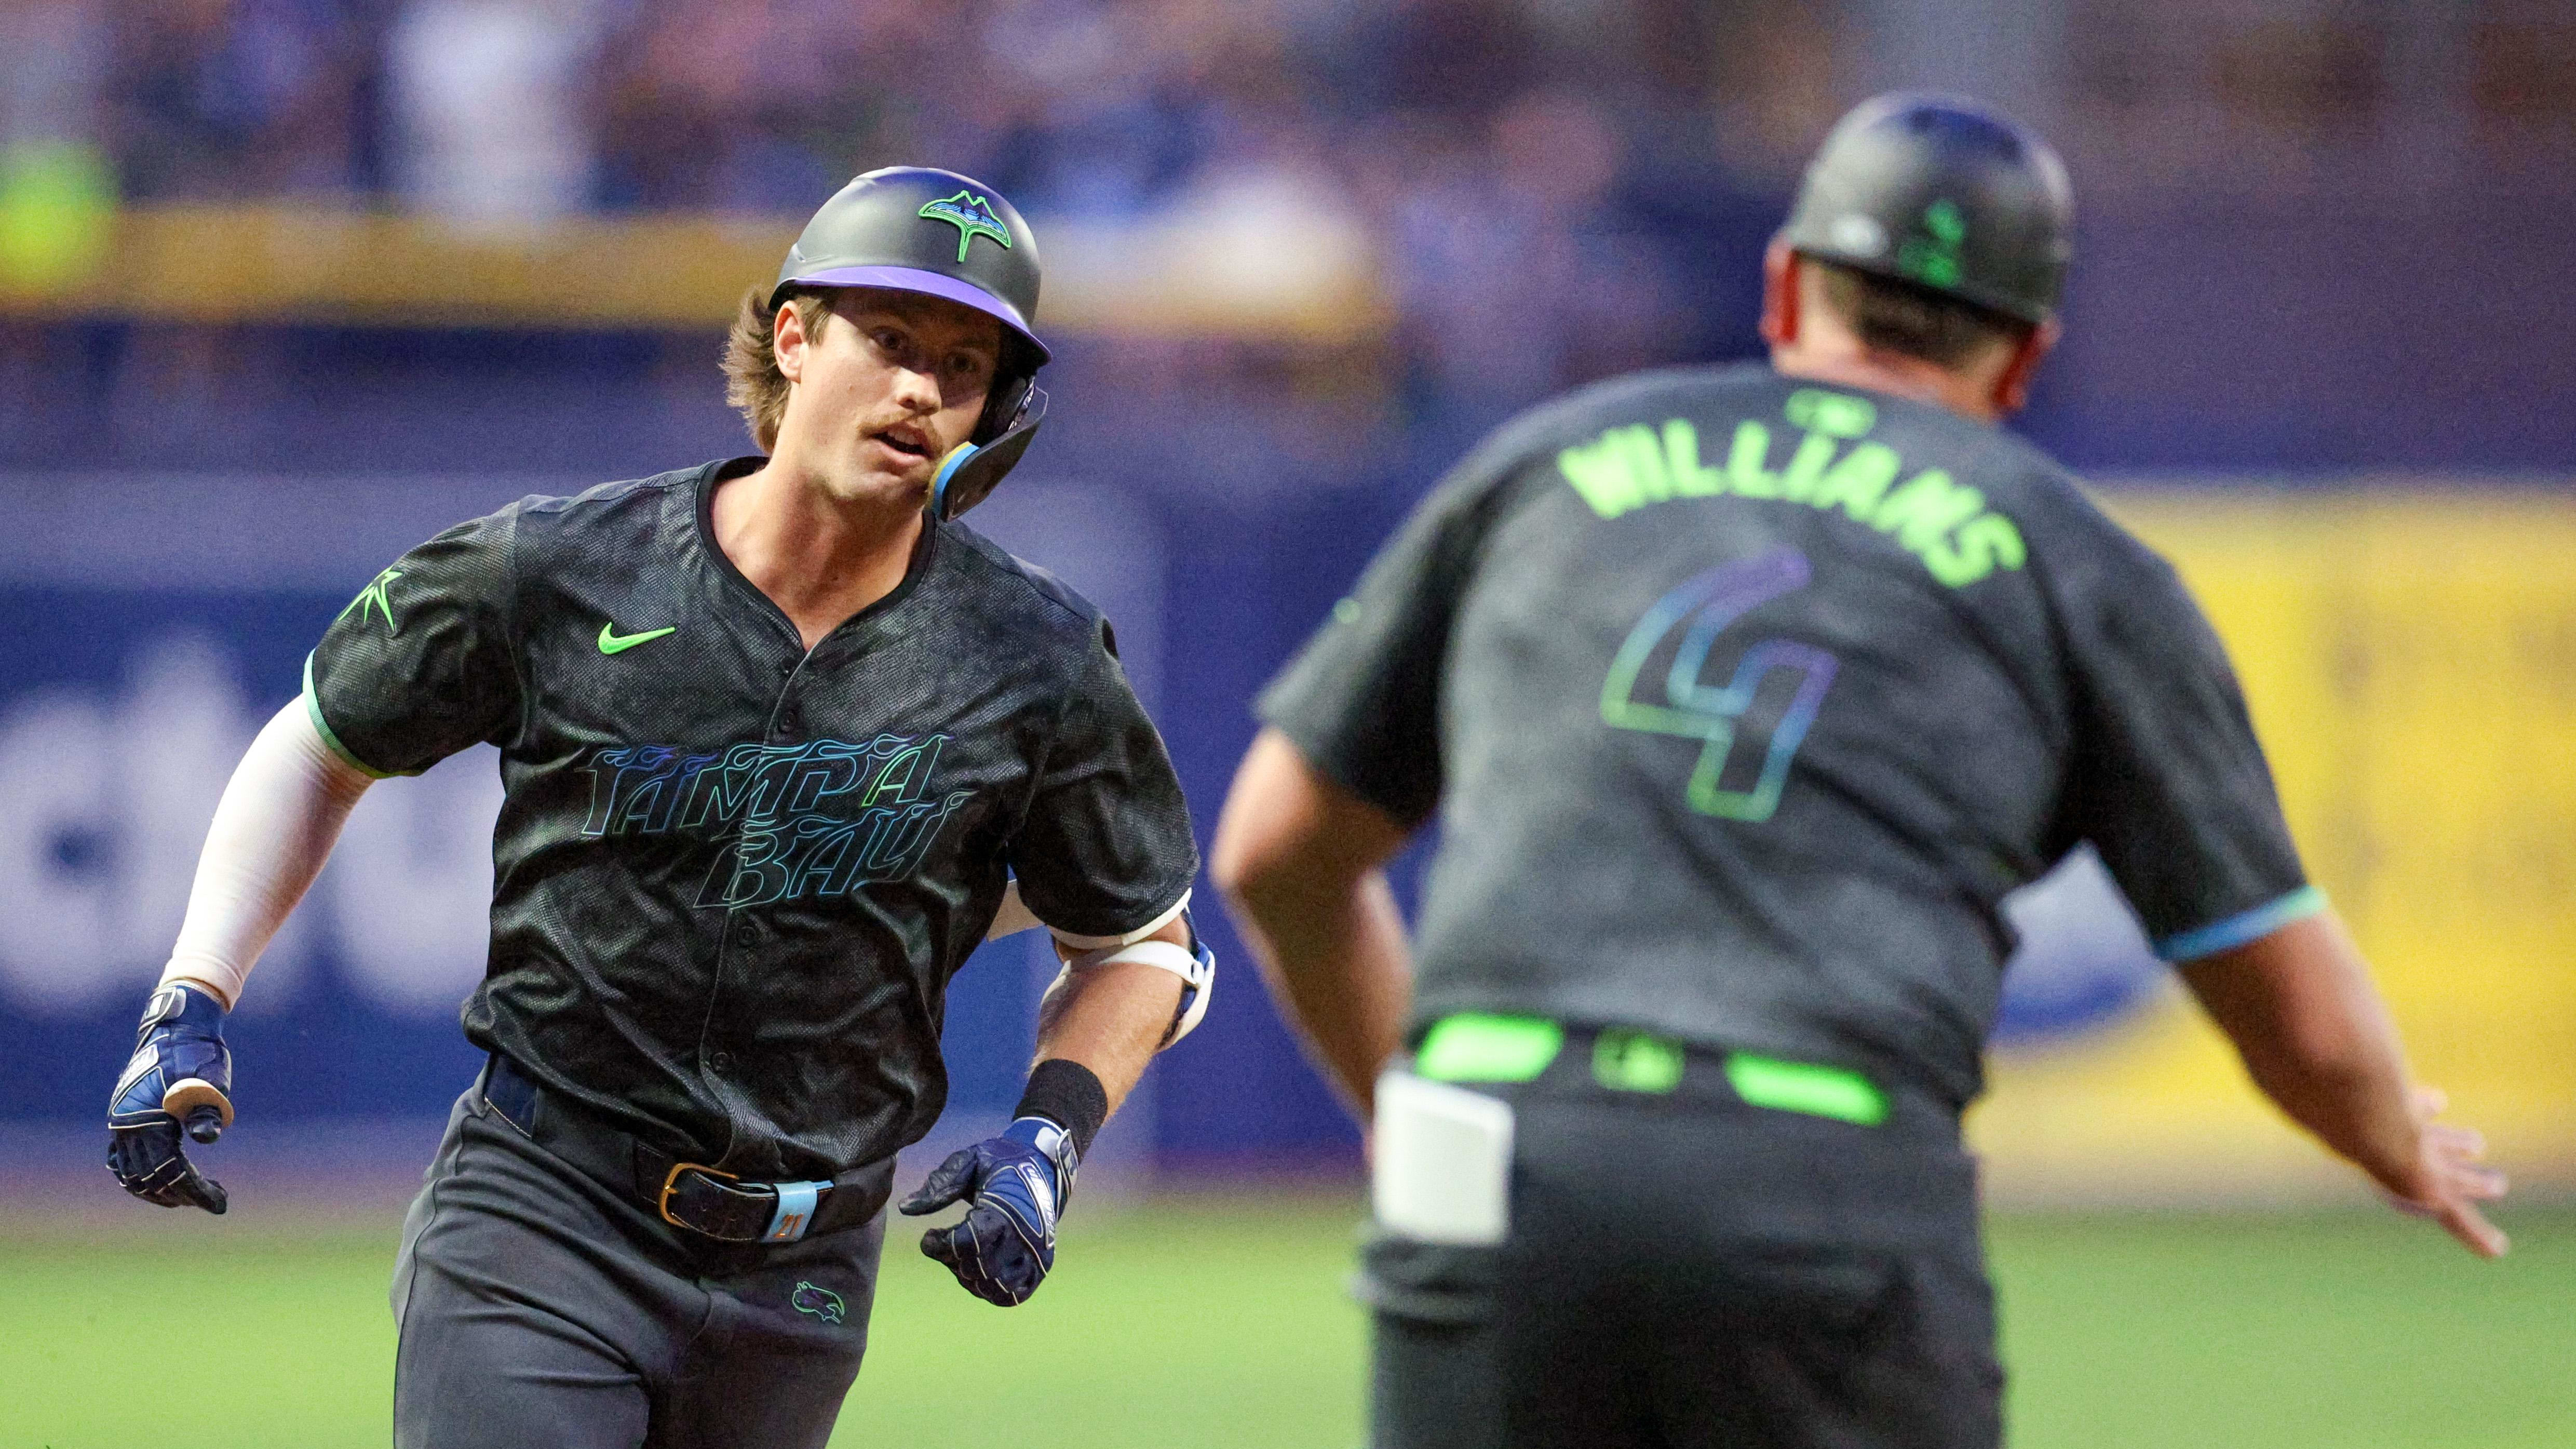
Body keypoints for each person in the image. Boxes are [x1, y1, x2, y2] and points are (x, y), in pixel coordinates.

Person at [1210, 94, 2506, 1449]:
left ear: (1785, 286)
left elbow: (1270, 852)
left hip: (1485, 1154)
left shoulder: (1544, 462)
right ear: (2021, 361)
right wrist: (2388, 1135)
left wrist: (1419, 1110)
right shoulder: (2075, 561)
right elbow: (2290, 1008)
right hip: (1815, 1180)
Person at [103, 166, 1215, 1449]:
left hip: (808, 1273)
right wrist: (192, 995)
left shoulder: (1039, 655)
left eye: (963, 367)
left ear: (993, 411)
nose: (920, 388)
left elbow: (1140, 937)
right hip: (544, 1213)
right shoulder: (561, 567)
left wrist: (1049, 1140)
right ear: (793, 338)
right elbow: (319, 745)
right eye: (891, 341)